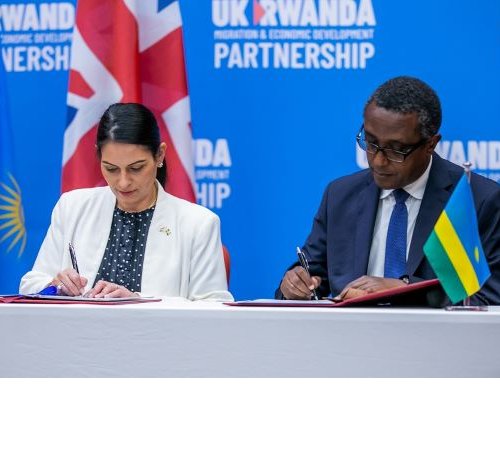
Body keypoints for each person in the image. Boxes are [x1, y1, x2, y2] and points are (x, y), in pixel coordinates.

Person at [276, 76, 500, 305]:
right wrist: (293, 285)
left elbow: (490, 297)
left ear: (430, 144)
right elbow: (310, 278)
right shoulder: (340, 195)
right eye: (371, 143)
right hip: (352, 328)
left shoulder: (475, 200)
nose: (378, 161)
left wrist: (404, 289)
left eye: (396, 150)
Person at [20, 103, 233, 301]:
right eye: (111, 169)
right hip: (76, 329)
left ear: (159, 155)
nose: (123, 182)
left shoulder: (198, 224)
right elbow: (30, 286)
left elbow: (213, 307)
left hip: (157, 331)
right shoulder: (72, 207)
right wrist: (55, 286)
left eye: (136, 168)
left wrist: (140, 302)